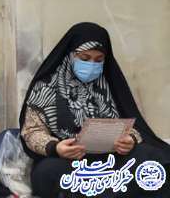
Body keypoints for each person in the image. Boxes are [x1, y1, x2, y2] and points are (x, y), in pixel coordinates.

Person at [20, 22, 170, 198]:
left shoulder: (110, 84)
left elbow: (134, 125)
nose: (91, 65)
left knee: (152, 157)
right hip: (70, 161)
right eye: (84, 58)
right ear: (70, 55)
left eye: (98, 60)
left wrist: (130, 140)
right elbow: (32, 131)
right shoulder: (45, 88)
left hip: (112, 160)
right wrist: (56, 147)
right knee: (46, 172)